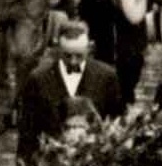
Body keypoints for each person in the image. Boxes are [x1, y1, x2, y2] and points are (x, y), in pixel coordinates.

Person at [17, 16, 124, 151]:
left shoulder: (107, 77)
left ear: (90, 48)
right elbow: (27, 134)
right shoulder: (38, 79)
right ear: (57, 48)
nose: (73, 62)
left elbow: (116, 127)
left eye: (79, 55)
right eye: (67, 56)